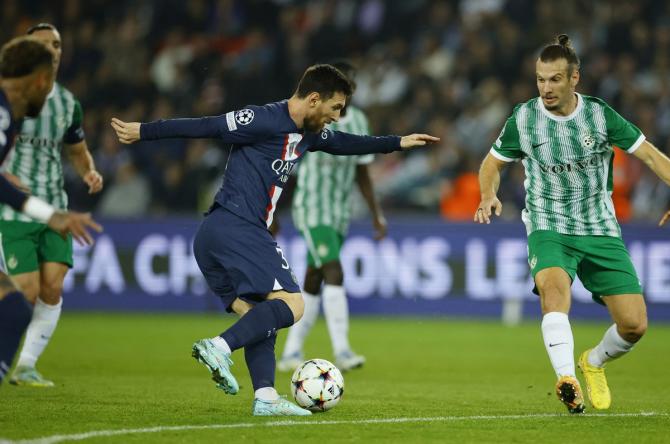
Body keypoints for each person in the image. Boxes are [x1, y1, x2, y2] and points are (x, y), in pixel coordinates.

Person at [111, 63, 438, 416]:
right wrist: (144, 131)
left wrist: (397, 143)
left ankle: (265, 398)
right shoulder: (262, 119)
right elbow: (206, 125)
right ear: (314, 99)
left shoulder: (308, 132)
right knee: (293, 305)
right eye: (335, 108)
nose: (338, 117)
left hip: (220, 234)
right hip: (237, 226)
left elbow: (344, 143)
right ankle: (219, 346)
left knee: (262, 316)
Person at [474, 34, 670, 414]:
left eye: (554, 80)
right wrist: (488, 194)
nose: (545, 88)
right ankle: (567, 380)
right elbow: (492, 163)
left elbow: (649, 155)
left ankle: (592, 362)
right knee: (553, 290)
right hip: (548, 223)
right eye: (540, 79)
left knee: (634, 326)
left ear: (574, 78)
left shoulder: (599, 115)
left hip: (599, 226)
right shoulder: (524, 118)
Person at [1, 24, 104, 388]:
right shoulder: (9, 102)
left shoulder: (66, 103)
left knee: (51, 288)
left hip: (53, 208)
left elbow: (76, 151)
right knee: (24, 291)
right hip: (14, 211)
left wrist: (89, 171)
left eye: (58, 44)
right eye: (45, 45)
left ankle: (25, 364)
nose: (54, 50)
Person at [277, 61, 386, 373]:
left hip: (339, 212)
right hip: (312, 208)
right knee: (334, 271)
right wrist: (272, 209)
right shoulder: (312, 117)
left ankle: (290, 353)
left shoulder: (359, 120)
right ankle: (343, 351)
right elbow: (289, 162)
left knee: (314, 278)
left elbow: (363, 171)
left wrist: (377, 214)